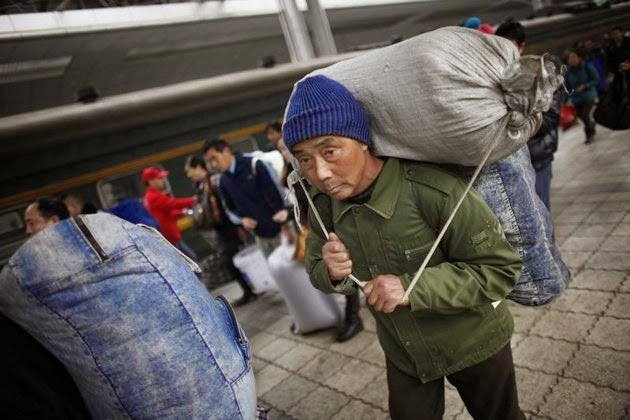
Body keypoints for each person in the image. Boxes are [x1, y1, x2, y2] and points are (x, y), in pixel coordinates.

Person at [283, 75, 524, 419]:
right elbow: (316, 273)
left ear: (362, 141)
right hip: (405, 353)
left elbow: (500, 270)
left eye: (330, 151)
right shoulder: (323, 208)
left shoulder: (433, 192)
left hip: (474, 342)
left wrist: (412, 287)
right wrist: (331, 271)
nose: (320, 172)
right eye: (304, 160)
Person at [495, 21, 562, 209]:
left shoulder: (542, 76)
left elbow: (550, 119)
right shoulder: (494, 77)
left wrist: (515, 122)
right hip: (508, 163)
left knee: (539, 216)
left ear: (521, 46)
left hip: (537, 159)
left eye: (510, 44)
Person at [184, 155, 257, 306]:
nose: (188, 175)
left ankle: (250, 290)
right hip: (219, 228)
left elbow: (228, 202)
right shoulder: (200, 185)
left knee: (230, 260)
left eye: (189, 170)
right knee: (230, 260)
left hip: (229, 226)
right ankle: (249, 289)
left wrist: (239, 224)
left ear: (198, 166)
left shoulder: (215, 180)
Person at [203, 138, 285, 258]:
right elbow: (229, 209)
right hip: (260, 236)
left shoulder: (254, 165)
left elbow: (281, 190)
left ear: (226, 151)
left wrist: (283, 213)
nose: (213, 164)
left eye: (214, 158)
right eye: (210, 161)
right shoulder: (223, 181)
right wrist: (242, 220)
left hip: (282, 230)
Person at [142, 166, 198, 260]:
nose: (163, 180)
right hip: (170, 240)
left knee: (191, 261)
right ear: (151, 181)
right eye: (159, 178)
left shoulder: (151, 196)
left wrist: (182, 213)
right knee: (192, 262)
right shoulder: (153, 196)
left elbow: (168, 214)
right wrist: (193, 200)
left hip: (171, 239)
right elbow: (173, 204)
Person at [565, 48, 600, 144]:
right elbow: (567, 86)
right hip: (576, 98)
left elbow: (596, 79)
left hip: (589, 96)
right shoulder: (568, 72)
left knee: (586, 115)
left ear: (579, 58)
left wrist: (585, 85)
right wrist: (565, 98)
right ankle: (591, 126)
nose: (571, 59)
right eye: (570, 58)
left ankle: (589, 134)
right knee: (581, 116)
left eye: (574, 57)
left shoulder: (587, 67)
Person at [606, 26, 630, 100]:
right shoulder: (609, 46)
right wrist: (618, 67)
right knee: (615, 87)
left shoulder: (628, 42)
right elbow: (609, 62)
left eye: (617, 33)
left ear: (622, 33)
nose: (615, 36)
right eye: (613, 34)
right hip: (618, 71)